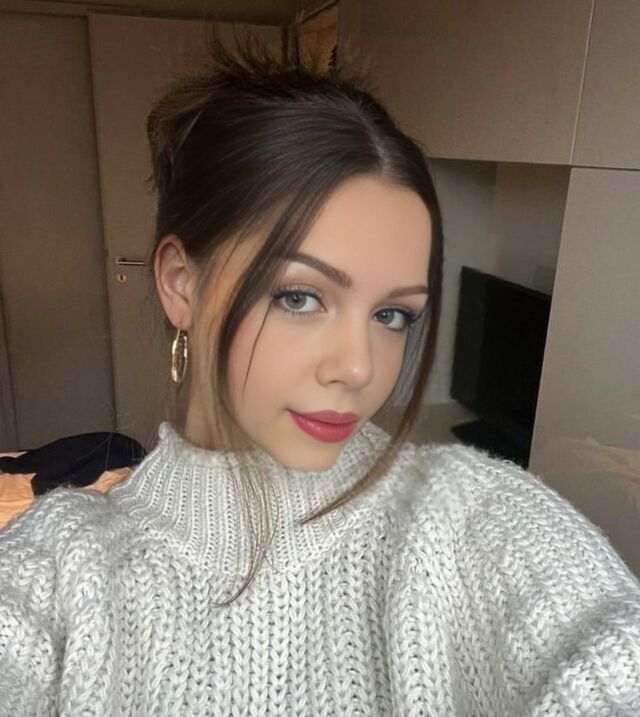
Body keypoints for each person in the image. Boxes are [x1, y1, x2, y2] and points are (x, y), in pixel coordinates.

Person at [1, 30, 639, 717]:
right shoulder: (59, 569)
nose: (360, 367)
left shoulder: (473, 519)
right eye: (300, 297)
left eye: (393, 314)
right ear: (182, 283)